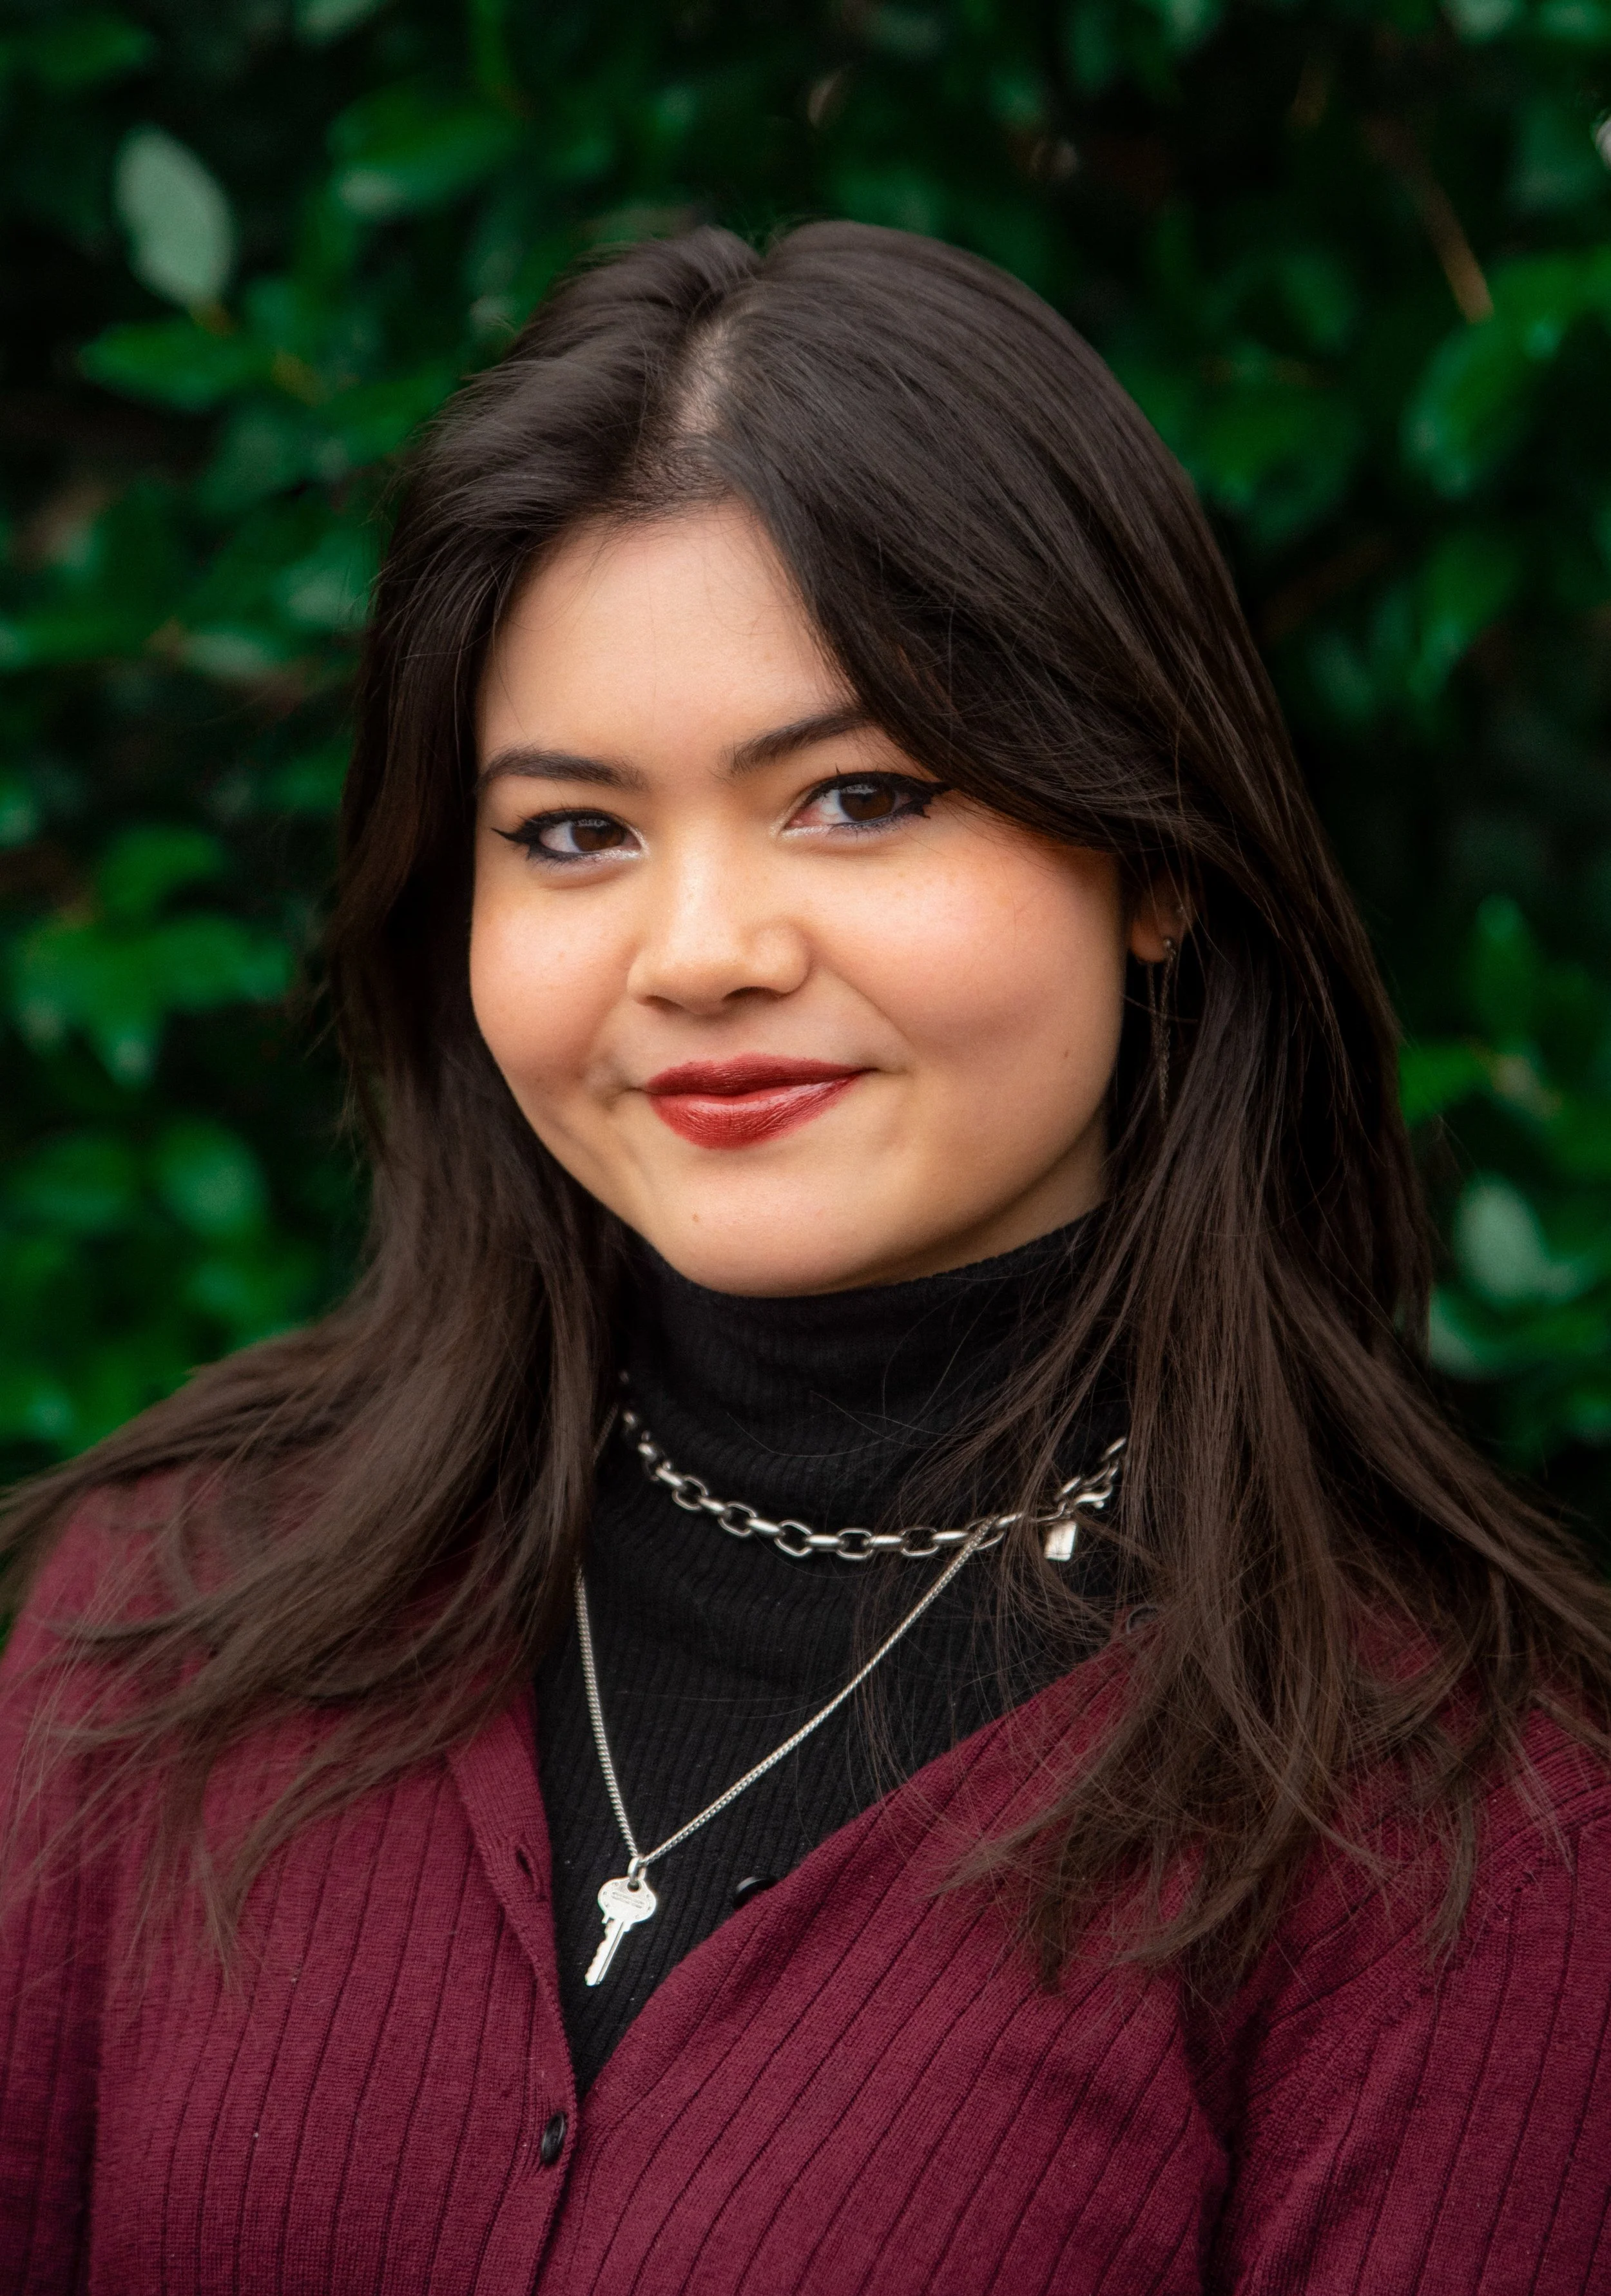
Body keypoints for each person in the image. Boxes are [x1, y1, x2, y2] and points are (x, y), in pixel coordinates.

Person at [2, 222, 1608, 2296]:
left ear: (1151, 855)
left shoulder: (1464, 1831)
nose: (700, 954)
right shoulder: (170, 1609)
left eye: (857, 797)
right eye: (573, 832)